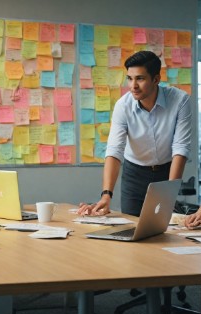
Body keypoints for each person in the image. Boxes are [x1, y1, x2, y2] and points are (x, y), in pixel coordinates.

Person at [78, 50, 192, 216]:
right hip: (134, 174)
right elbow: (114, 150)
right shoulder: (123, 106)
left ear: (156, 79)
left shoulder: (180, 100)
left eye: (140, 78)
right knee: (132, 227)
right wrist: (106, 194)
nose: (133, 86)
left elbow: (181, 148)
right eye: (130, 79)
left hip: (166, 172)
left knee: (162, 228)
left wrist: (169, 192)